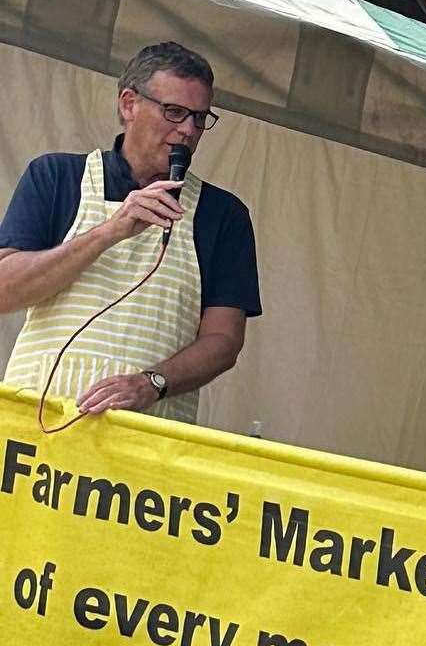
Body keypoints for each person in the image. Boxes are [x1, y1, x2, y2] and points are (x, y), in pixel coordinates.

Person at [0, 42, 260, 423]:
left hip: (146, 443)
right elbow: (5, 290)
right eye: (174, 112)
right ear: (128, 104)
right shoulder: (57, 177)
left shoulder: (223, 215)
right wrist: (108, 232)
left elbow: (224, 342)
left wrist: (151, 383)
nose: (188, 130)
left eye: (200, 118)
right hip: (36, 428)